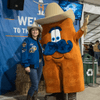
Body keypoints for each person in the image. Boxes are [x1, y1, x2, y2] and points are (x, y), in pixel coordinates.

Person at [21, 21, 44, 100]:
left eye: (36, 30)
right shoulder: (27, 41)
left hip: (40, 64)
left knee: (37, 83)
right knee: (34, 84)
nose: (35, 31)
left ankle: (35, 97)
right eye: (33, 30)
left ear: (39, 31)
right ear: (30, 32)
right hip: (32, 66)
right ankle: (29, 97)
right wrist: (26, 65)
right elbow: (24, 53)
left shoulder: (38, 42)